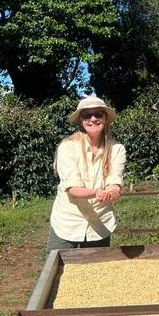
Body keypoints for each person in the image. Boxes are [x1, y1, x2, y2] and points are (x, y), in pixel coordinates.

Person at [46, 96, 126, 251]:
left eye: (98, 114)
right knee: (57, 269)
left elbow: (114, 180)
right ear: (81, 120)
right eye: (87, 115)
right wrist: (98, 192)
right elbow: (73, 189)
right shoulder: (67, 147)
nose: (93, 119)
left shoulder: (117, 149)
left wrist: (114, 190)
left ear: (105, 118)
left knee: (95, 270)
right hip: (68, 221)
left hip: (99, 223)